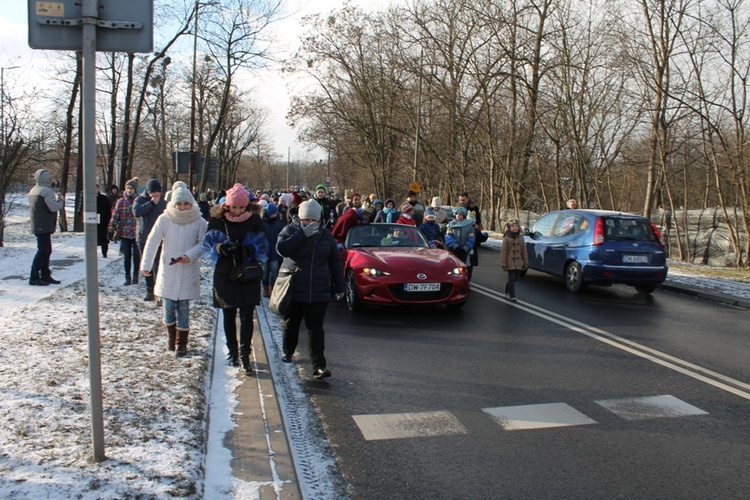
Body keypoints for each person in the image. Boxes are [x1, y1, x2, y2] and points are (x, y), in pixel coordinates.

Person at [276, 199, 345, 380]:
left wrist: (340, 286)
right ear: (300, 218)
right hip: (295, 287)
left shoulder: (326, 236)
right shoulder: (290, 230)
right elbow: (282, 249)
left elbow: (335, 263)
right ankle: (288, 352)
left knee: (316, 329)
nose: (310, 224)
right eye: (306, 220)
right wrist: (302, 234)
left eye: (313, 221)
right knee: (291, 324)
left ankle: (318, 366)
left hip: (319, 290)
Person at [203, 183, 268, 375]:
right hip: (225, 273)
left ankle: (245, 355)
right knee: (228, 313)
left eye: (241, 207)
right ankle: (232, 351)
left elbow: (264, 243)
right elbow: (208, 243)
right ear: (226, 206)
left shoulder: (255, 220)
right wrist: (220, 248)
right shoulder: (217, 221)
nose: (238, 211)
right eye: (234, 207)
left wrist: (251, 248)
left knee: (247, 316)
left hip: (248, 273)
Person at [140, 187, 207, 356]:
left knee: (183, 307)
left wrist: (190, 255)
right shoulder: (165, 219)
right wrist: (146, 264)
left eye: (186, 204)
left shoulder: (199, 221)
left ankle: (181, 343)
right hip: (168, 269)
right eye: (179, 204)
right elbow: (152, 241)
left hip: (187, 269)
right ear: (173, 204)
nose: (183, 207)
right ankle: (171, 336)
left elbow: (203, 243)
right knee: (168, 306)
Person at [28, 168, 65, 286]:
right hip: (44, 225)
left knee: (45, 250)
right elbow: (53, 207)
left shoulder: (33, 190)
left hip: (37, 224)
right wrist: (61, 202)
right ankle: (35, 276)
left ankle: (45, 274)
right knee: (43, 251)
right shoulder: (46, 191)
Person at [133, 179, 167, 301]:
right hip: (143, 237)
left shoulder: (163, 203)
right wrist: (151, 203)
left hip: (160, 238)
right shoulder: (140, 200)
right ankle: (149, 291)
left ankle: (158, 291)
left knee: (158, 265)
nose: (156, 195)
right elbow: (136, 212)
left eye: (158, 192)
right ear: (148, 192)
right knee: (147, 265)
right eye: (153, 192)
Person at [108, 179, 140, 285]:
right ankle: (127, 277)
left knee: (137, 255)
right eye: (128, 188)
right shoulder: (121, 202)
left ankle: (136, 275)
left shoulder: (139, 200)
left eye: (131, 188)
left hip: (136, 233)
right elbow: (115, 216)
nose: (129, 190)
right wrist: (111, 230)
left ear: (135, 189)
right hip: (125, 233)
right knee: (126, 256)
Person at [500, 219, 528, 302]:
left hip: (518, 262)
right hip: (510, 262)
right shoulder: (507, 238)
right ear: (509, 228)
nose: (515, 228)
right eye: (513, 226)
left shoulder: (521, 238)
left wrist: (525, 262)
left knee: (516, 278)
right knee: (512, 278)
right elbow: (504, 252)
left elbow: (524, 251)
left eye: (516, 226)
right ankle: (512, 294)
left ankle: (507, 286)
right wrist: (503, 263)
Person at [445, 206, 476, 279]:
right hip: (454, 250)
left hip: (465, 251)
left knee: (464, 267)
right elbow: (448, 237)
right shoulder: (451, 225)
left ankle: (465, 282)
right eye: (457, 214)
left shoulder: (469, 226)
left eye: (460, 214)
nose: (458, 216)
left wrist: (466, 248)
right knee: (453, 268)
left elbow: (471, 238)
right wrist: (455, 246)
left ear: (464, 216)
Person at [457, 191, 483, 269]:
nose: (461, 202)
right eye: (460, 200)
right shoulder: (457, 208)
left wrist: (475, 226)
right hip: (459, 232)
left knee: (470, 255)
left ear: (468, 199)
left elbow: (478, 221)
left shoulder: (473, 207)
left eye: (463, 200)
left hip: (470, 230)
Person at [262, 202, 283, 297]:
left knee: (274, 270)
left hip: (275, 250)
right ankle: (265, 287)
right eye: (273, 213)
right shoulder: (262, 223)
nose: (275, 215)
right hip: (264, 251)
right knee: (265, 271)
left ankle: (273, 287)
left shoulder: (278, 223)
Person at [96, 185, 111, 258]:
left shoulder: (104, 198)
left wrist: (108, 220)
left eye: (96, 188)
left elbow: (108, 210)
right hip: (92, 222)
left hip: (103, 221)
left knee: (103, 239)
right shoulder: (88, 198)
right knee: (93, 238)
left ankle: (104, 252)